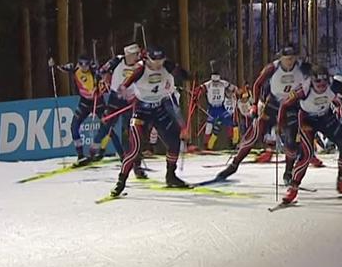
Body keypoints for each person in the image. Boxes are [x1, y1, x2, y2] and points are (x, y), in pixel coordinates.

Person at [216, 46, 311, 183]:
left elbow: (314, 81)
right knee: (255, 133)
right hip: (272, 105)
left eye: (292, 59)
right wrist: (255, 104)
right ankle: (233, 165)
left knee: (290, 139)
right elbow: (257, 84)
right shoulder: (273, 67)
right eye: (286, 59)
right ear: (281, 58)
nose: (289, 62)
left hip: (291, 107)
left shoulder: (302, 67)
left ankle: (288, 172)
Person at [279, 66, 342, 205]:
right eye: (317, 83)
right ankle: (293, 188)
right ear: (312, 81)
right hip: (307, 121)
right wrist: (282, 125)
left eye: (324, 83)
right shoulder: (303, 89)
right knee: (307, 155)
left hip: (326, 117)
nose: (321, 86)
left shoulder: (333, 84)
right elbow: (285, 105)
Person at [110, 48, 189, 196]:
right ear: (147, 59)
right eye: (155, 62)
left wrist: (183, 126)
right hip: (142, 111)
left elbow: (183, 79)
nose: (158, 65)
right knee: (135, 148)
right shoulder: (140, 69)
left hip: (159, 108)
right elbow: (124, 85)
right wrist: (123, 91)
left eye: (161, 61)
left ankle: (171, 176)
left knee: (174, 141)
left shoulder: (167, 66)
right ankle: (121, 182)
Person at [89, 43, 143, 162]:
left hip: (130, 101)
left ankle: (132, 158)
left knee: (130, 129)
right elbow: (101, 71)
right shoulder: (118, 60)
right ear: (128, 55)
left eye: (138, 54)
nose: (137, 57)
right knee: (107, 123)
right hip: (116, 98)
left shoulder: (140, 65)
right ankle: (95, 145)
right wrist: (100, 81)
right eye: (135, 54)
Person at [49, 54, 104, 165]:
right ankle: (80, 155)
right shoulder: (74, 68)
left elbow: (104, 78)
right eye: (81, 64)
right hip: (84, 103)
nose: (84, 66)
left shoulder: (94, 71)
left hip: (97, 102)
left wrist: (98, 85)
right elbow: (62, 68)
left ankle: (110, 152)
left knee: (107, 125)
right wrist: (53, 65)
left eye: (86, 64)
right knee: (74, 126)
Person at [196, 71, 238, 150]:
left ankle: (232, 142)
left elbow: (234, 88)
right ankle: (206, 144)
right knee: (209, 126)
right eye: (214, 82)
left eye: (217, 82)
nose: (216, 84)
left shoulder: (223, 83)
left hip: (221, 107)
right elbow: (200, 89)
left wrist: (236, 90)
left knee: (230, 122)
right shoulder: (208, 84)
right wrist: (196, 93)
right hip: (212, 108)